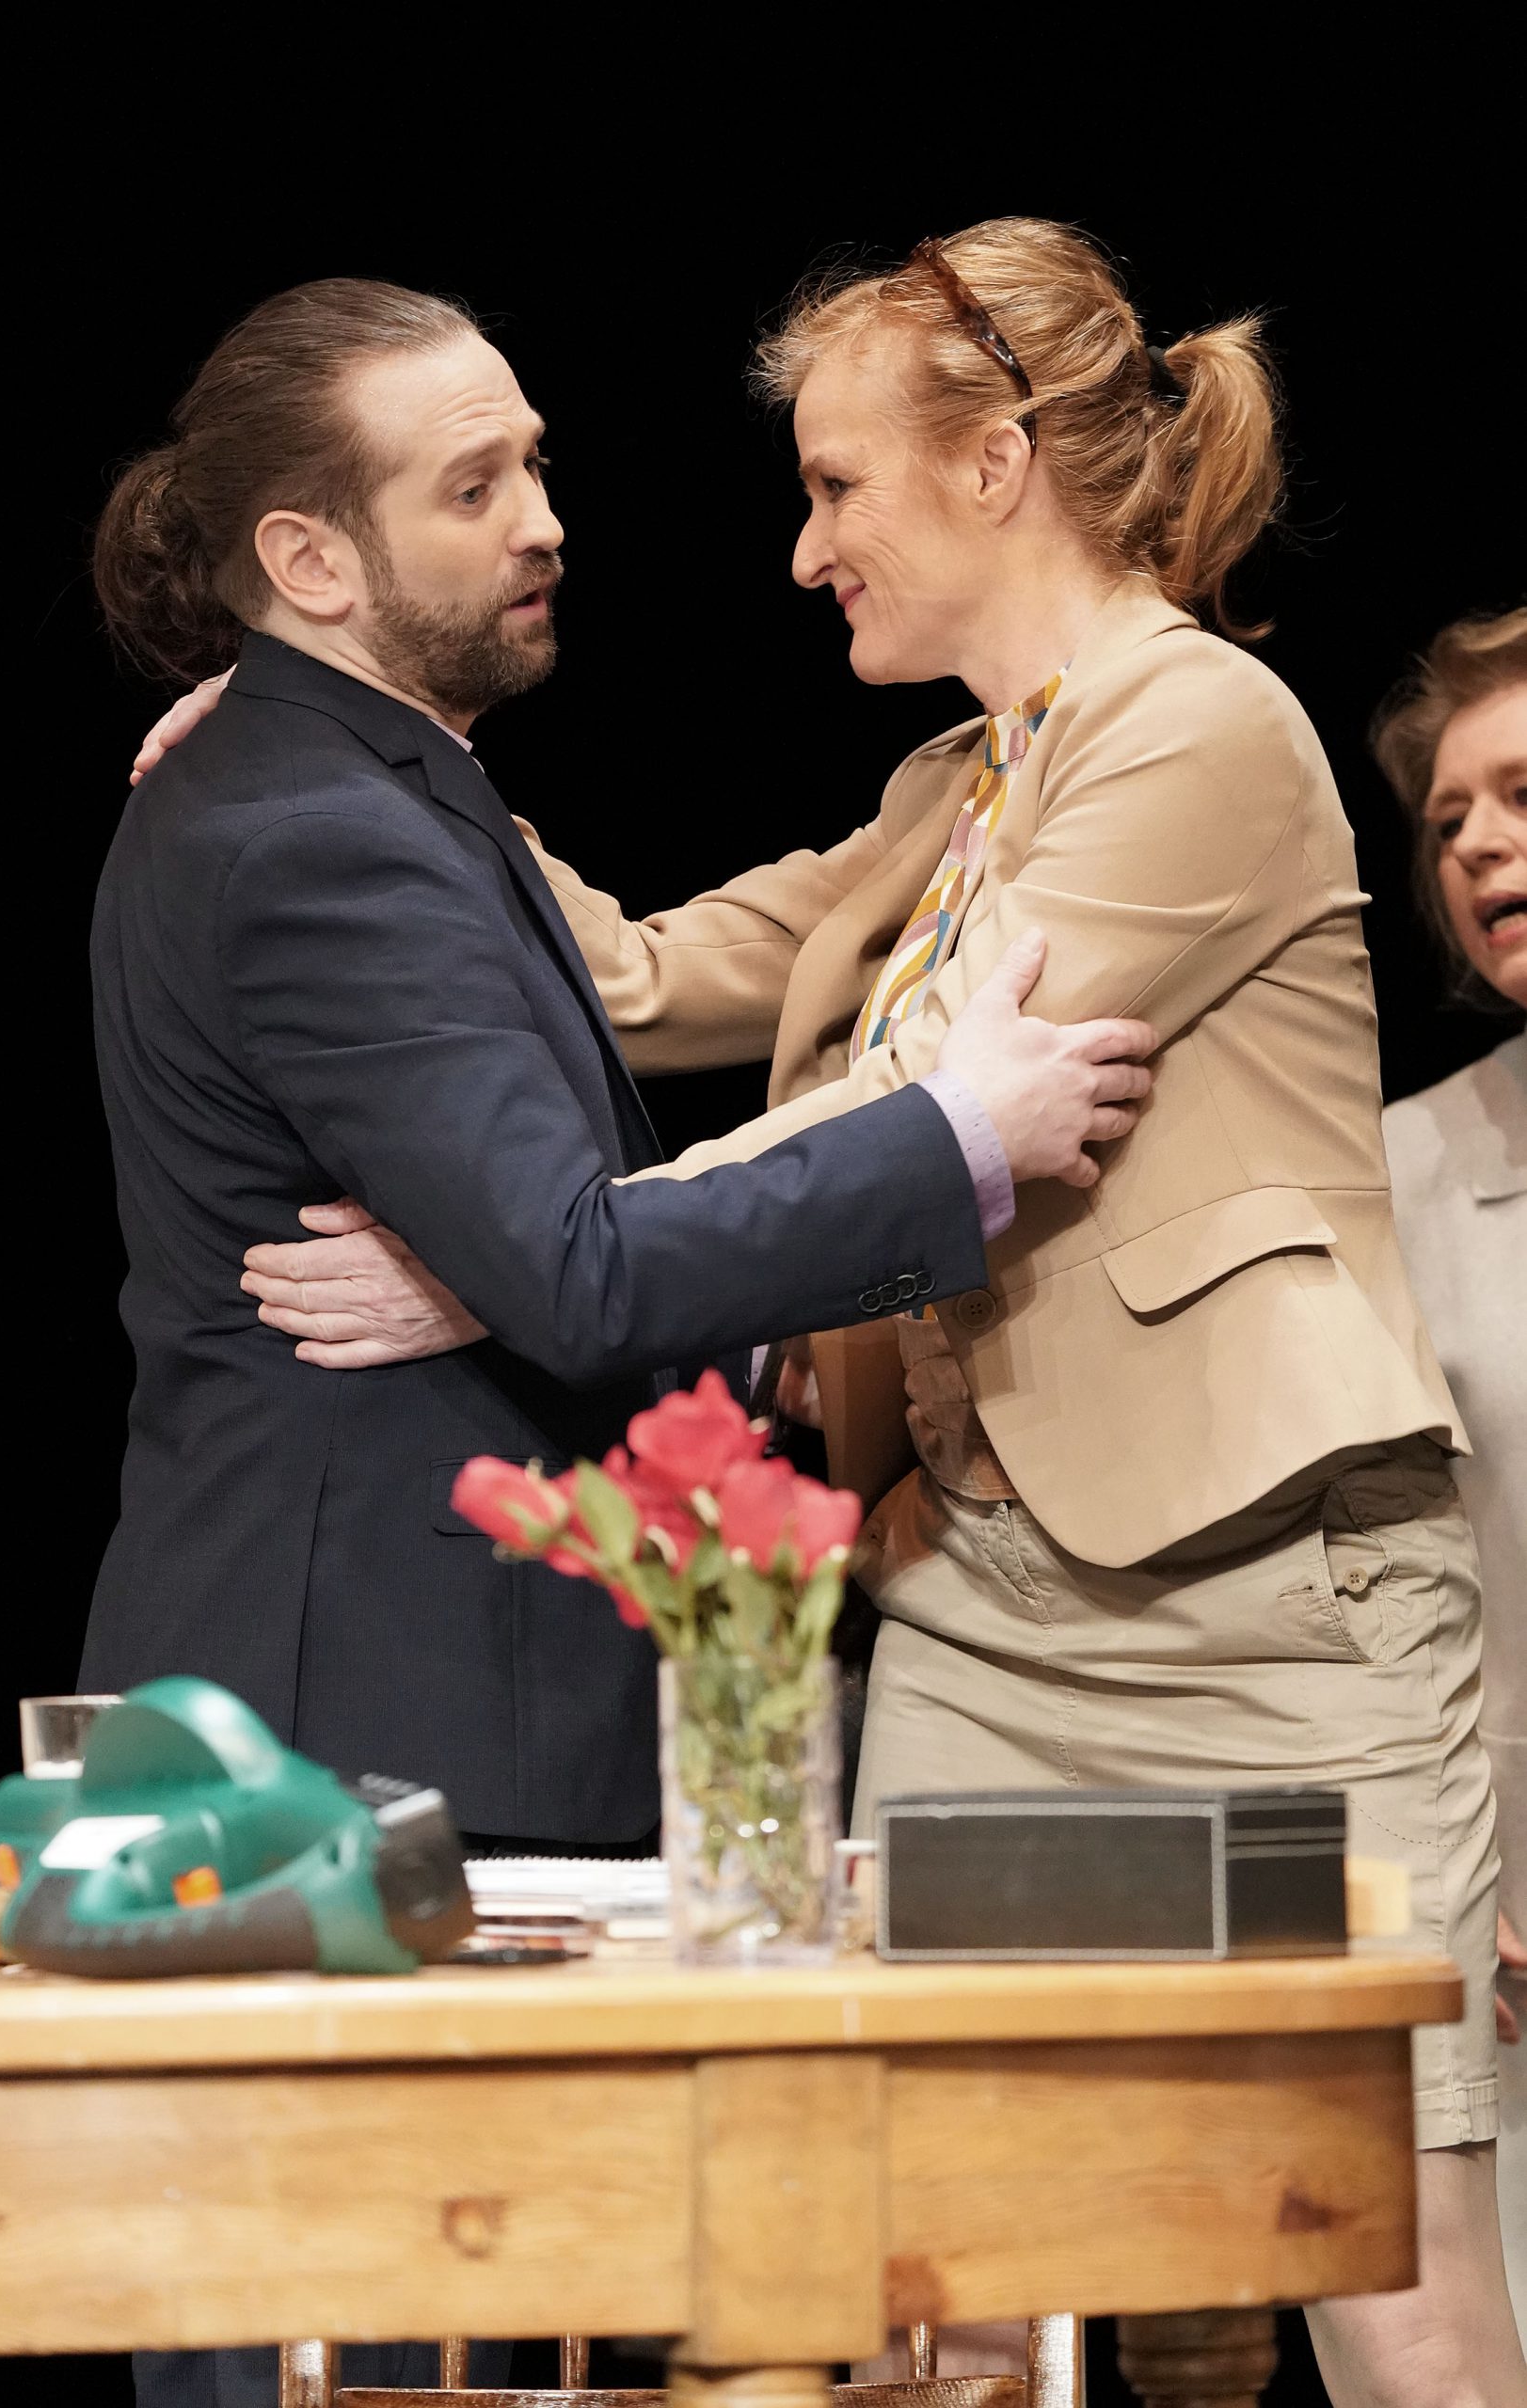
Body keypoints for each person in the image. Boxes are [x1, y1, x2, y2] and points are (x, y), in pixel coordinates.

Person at [228, 223, 1521, 2406]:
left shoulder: (1199, 727)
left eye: (835, 485)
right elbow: (636, 973)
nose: (806, 546)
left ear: (992, 461)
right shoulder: (955, 787)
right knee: (929, 2271)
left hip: (1269, 1610)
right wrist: (333, 735)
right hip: (985, 1608)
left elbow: (931, 1108)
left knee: (1381, 2274)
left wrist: (526, 1249)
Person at [84, 274, 1153, 2408]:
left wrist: (528, 1266)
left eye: (535, 464)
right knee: (365, 2352)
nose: (543, 517)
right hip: (370, 1743)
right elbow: (575, 1267)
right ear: (310, 559)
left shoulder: (358, 789)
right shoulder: (318, 832)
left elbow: (561, 1196)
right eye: (474, 486)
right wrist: (950, 1139)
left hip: (390, 1721)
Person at [1373, 609, 1527, 2340]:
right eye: (1451, 821)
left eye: (1526, 794)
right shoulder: (1402, 1174)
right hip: (1497, 1940)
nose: (1480, 844)